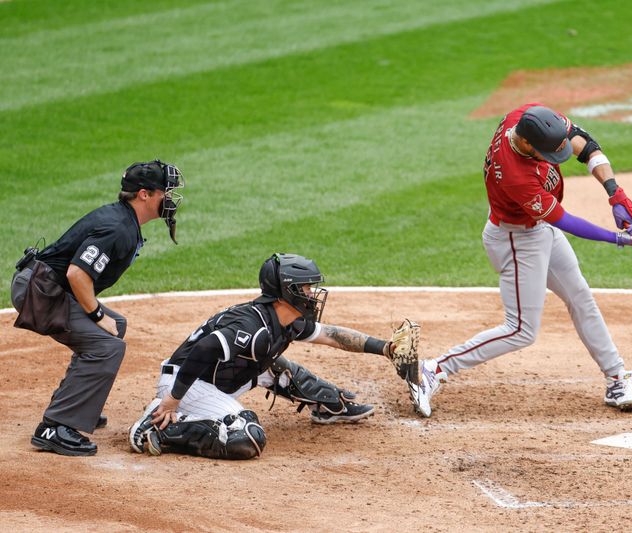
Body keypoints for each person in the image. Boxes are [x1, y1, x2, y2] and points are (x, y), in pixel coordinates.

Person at [408, 103, 632, 417]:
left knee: (580, 297)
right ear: (526, 145)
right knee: (521, 329)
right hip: (517, 241)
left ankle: (616, 377)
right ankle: (434, 370)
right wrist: (615, 238)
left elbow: (585, 145)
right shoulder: (515, 175)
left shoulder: (526, 118)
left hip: (538, 229)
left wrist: (614, 192)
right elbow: (566, 221)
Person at [129, 253, 405, 460]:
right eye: (306, 288)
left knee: (276, 367)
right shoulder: (251, 325)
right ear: (286, 291)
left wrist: (385, 348)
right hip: (188, 384)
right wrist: (173, 400)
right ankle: (160, 427)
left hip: (219, 378)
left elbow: (332, 335)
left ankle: (328, 407)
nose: (312, 295)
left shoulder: (287, 320)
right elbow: (204, 349)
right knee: (247, 438)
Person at [10, 160, 185, 456]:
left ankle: (80, 404)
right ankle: (55, 427)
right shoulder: (118, 227)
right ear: (144, 194)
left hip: (46, 286)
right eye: (165, 192)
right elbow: (77, 274)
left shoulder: (124, 220)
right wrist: (96, 315)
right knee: (106, 345)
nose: (169, 199)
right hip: (41, 291)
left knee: (116, 327)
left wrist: (102, 317)